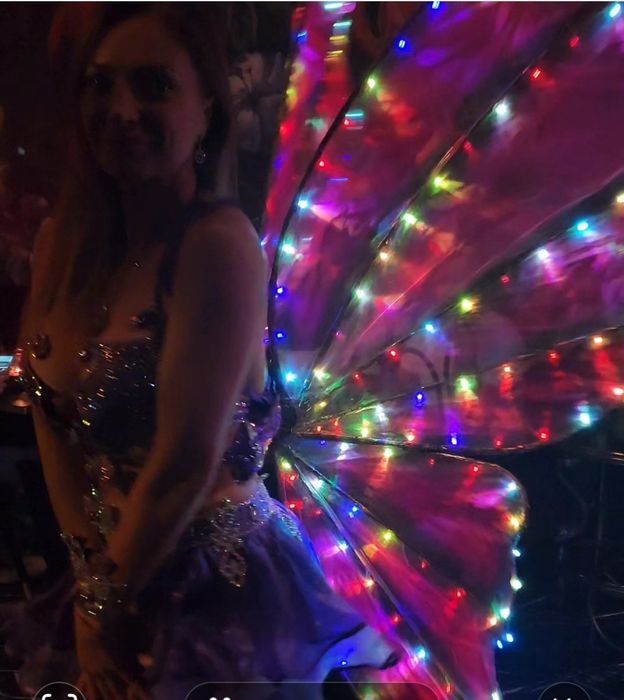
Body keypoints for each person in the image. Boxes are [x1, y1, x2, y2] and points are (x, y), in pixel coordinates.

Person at [0, 4, 401, 699]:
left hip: (223, 597)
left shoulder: (219, 246)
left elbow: (186, 459)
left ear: (207, 109)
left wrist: (102, 607)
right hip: (110, 578)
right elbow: (49, 415)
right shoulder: (62, 244)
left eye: (153, 85)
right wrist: (92, 581)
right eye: (101, 83)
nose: (121, 109)